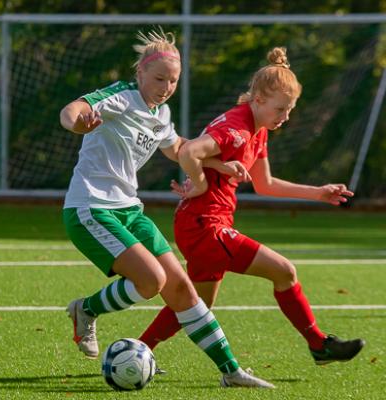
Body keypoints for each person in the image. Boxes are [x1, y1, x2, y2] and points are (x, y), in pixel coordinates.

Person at [60, 27, 275, 389]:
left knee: (182, 289)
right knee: (151, 281)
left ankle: (231, 371)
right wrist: (78, 124)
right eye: (160, 78)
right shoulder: (121, 97)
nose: (166, 86)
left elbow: (177, 148)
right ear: (140, 73)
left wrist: (219, 165)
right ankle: (87, 308)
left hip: (129, 209)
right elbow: (73, 109)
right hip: (91, 208)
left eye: (173, 81)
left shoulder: (161, 113)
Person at [139, 47, 365, 366]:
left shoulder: (256, 129)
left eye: (289, 110)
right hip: (206, 226)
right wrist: (202, 183)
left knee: (196, 302)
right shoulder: (237, 127)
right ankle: (318, 344)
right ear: (258, 99)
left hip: (204, 222)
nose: (285, 117)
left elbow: (265, 185)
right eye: (280, 109)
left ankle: (138, 349)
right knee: (284, 271)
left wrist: (319, 193)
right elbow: (189, 151)